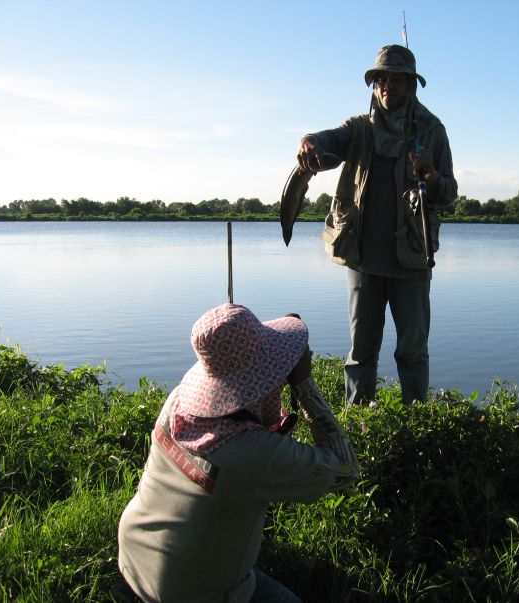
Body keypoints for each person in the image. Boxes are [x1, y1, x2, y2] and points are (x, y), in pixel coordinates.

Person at [117, 303, 359, 603]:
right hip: (190, 592)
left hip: (134, 554)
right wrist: (304, 386)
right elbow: (346, 470)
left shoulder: (177, 402)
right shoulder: (255, 453)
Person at [297, 44, 457, 406]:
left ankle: (415, 422)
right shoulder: (359, 129)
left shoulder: (433, 131)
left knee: (412, 352)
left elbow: (448, 196)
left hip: (412, 261)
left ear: (411, 84)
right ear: (374, 84)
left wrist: (430, 174)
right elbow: (329, 139)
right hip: (363, 259)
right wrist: (310, 141)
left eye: (397, 79)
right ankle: (359, 426)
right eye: (381, 79)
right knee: (361, 352)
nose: (387, 86)